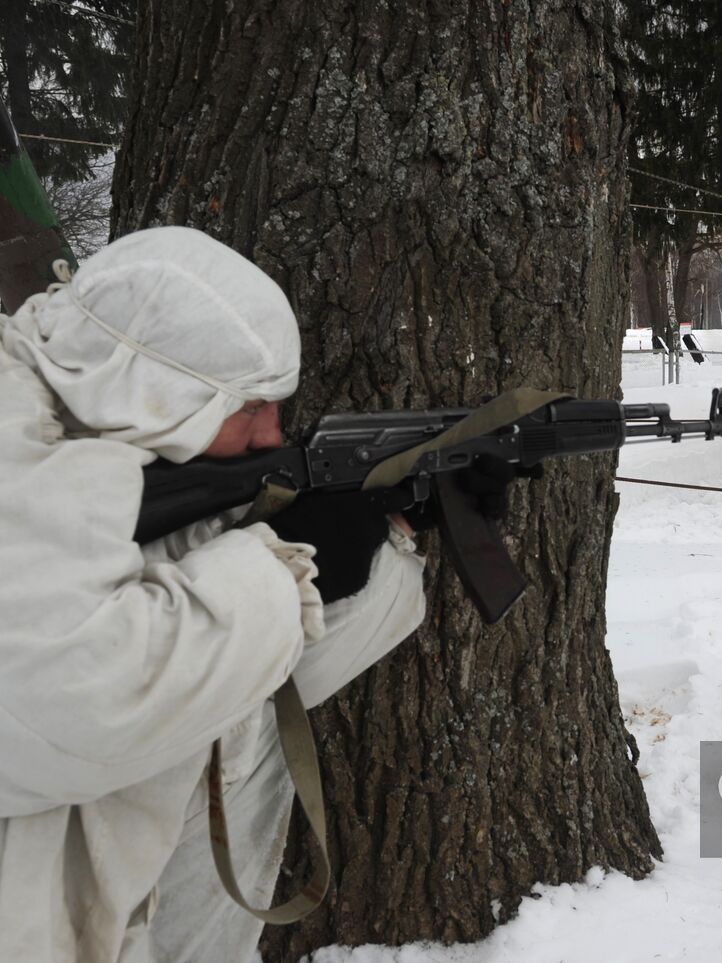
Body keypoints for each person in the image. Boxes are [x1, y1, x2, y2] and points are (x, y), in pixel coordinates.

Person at [0, 227, 435, 962]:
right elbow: (70, 702)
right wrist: (283, 567)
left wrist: (395, 521)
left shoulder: (107, 434)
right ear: (161, 390)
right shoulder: (18, 446)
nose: (272, 436)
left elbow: (253, 693)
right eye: (250, 406)